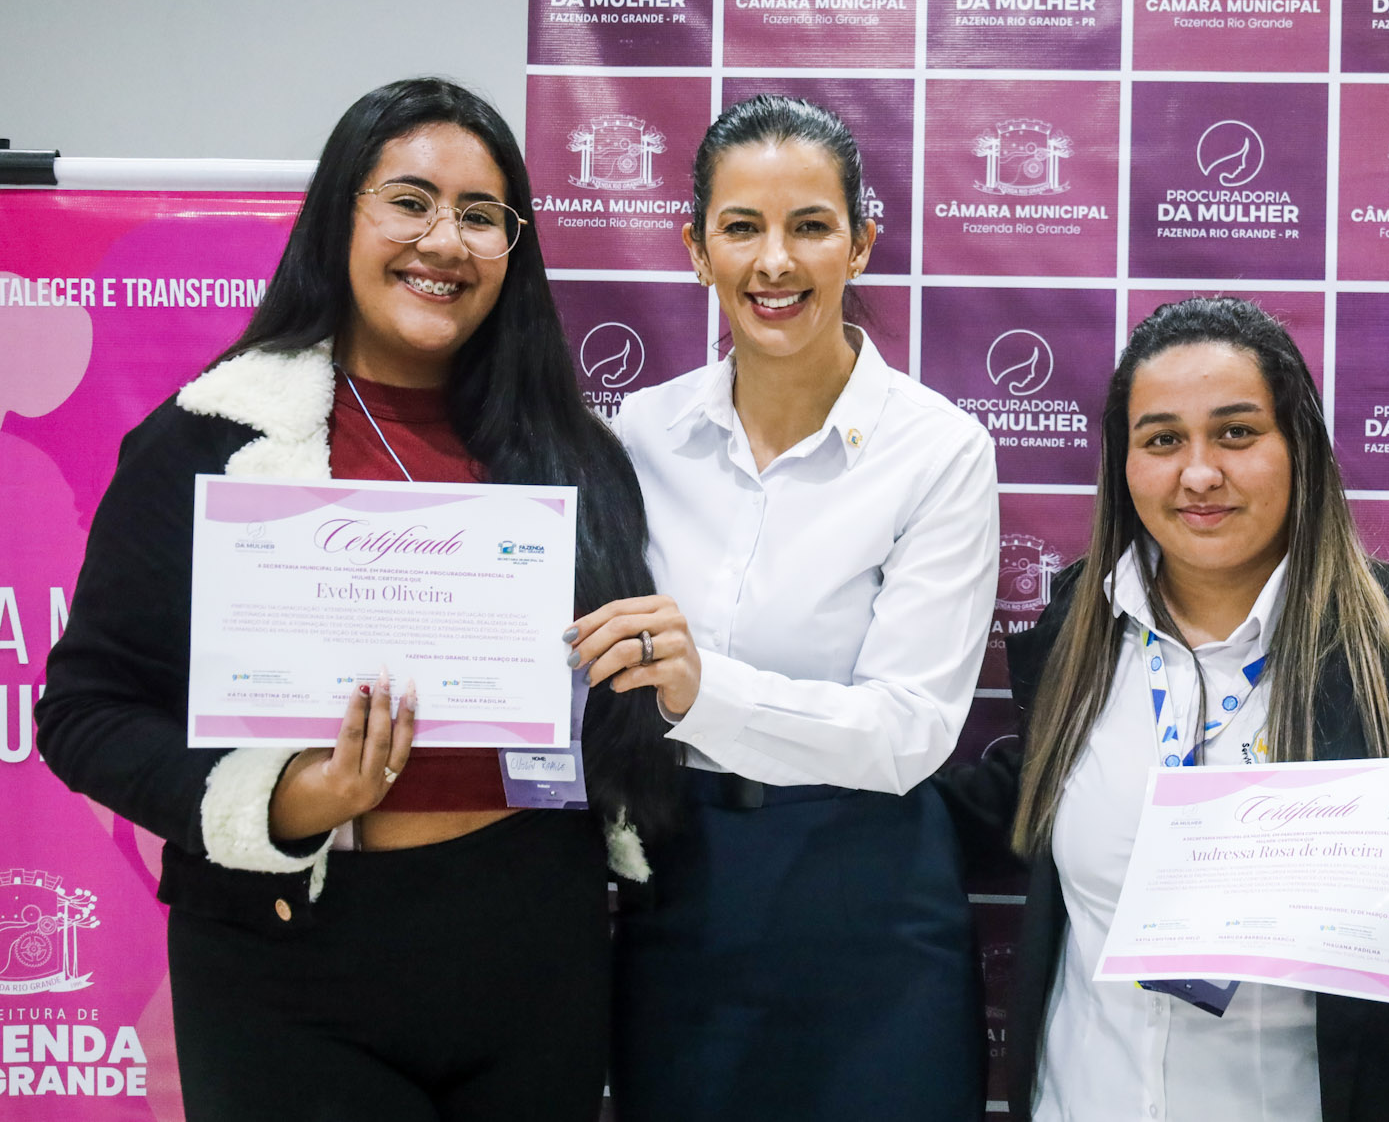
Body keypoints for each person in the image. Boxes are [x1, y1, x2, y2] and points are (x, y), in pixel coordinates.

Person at [35, 77, 675, 1121]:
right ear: (340, 214)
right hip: (285, 961)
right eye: (409, 201)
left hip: (534, 949)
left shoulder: (576, 458)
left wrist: (652, 684)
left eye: (480, 215)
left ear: (513, 250)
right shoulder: (206, 440)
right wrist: (289, 799)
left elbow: (606, 727)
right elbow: (85, 714)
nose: (444, 241)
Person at [937, 296, 1389, 1122]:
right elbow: (1035, 793)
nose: (1199, 473)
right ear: (1123, 463)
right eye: (1162, 439)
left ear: (1298, 446)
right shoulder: (1080, 625)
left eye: (1236, 433)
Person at [568, 93, 999, 1122]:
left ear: (861, 244)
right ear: (696, 249)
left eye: (810, 226)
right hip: (680, 880)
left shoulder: (939, 450)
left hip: (871, 888)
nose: (775, 262)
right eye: (741, 228)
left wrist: (701, 691)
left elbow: (908, 729)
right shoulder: (638, 435)